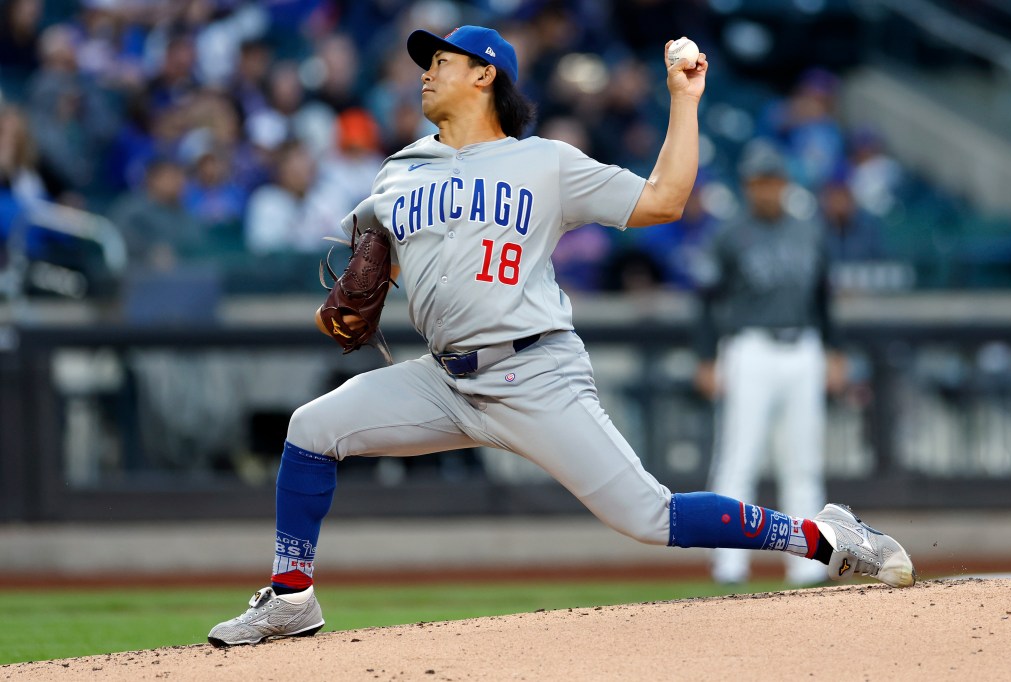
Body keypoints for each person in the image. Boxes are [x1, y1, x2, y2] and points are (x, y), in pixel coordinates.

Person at [208, 25, 915, 647]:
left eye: (443, 61)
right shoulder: (398, 172)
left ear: (485, 75)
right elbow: (371, 257)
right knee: (311, 428)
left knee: (650, 516)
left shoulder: (545, 161)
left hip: (534, 373)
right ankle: (292, 598)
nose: (426, 72)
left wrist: (684, 100)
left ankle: (826, 538)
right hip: (444, 378)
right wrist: (366, 272)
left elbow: (664, 201)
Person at [691, 139, 848, 586]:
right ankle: (728, 565)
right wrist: (706, 358)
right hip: (750, 348)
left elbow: (823, 299)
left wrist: (834, 351)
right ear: (746, 186)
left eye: (773, 181)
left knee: (802, 462)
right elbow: (704, 302)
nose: (766, 190)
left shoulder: (808, 231)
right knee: (739, 458)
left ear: (785, 184)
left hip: (803, 348)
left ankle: (806, 564)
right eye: (758, 182)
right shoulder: (729, 234)